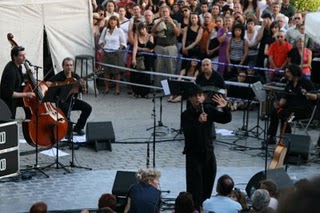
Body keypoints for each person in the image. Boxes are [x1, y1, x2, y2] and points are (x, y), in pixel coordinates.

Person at [181, 84, 232, 211]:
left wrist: (225, 107)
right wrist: (198, 122)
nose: (198, 98)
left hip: (208, 154)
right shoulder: (186, 115)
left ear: (203, 97)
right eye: (195, 96)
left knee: (208, 184)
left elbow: (226, 119)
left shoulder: (208, 109)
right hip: (194, 155)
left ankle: (205, 207)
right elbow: (188, 134)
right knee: (195, 188)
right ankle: (195, 208)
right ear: (190, 99)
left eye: (200, 95)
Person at [265, 64, 315, 144]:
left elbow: (315, 97)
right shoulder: (289, 84)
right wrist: (277, 103)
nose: (286, 74)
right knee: (275, 111)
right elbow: (283, 101)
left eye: (288, 72)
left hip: (303, 111)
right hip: (290, 109)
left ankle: (285, 140)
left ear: (294, 72)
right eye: (286, 72)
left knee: (287, 118)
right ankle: (272, 136)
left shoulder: (306, 83)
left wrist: (307, 94)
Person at [47, 57, 92, 136]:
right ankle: (67, 130)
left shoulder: (75, 76)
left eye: (71, 65)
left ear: (73, 66)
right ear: (63, 66)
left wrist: (83, 86)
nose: (69, 67)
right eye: (67, 65)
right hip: (62, 101)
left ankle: (78, 127)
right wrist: (61, 86)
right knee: (66, 110)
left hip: (73, 100)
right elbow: (47, 83)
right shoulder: (59, 76)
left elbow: (84, 92)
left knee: (88, 108)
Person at [0, 46, 35, 119]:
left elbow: (19, 79)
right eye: (21, 55)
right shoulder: (11, 71)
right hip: (7, 104)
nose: (24, 58)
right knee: (9, 124)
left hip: (13, 101)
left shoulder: (18, 66)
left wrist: (27, 75)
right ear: (14, 57)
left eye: (24, 55)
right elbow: (10, 93)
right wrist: (26, 94)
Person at [99, 15, 127, 95]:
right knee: (106, 71)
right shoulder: (105, 30)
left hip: (115, 53)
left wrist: (119, 50)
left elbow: (123, 42)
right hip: (107, 52)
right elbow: (101, 40)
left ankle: (117, 88)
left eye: (114, 20)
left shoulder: (119, 30)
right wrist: (103, 47)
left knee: (116, 72)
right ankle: (107, 88)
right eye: (111, 20)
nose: (112, 21)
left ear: (117, 22)